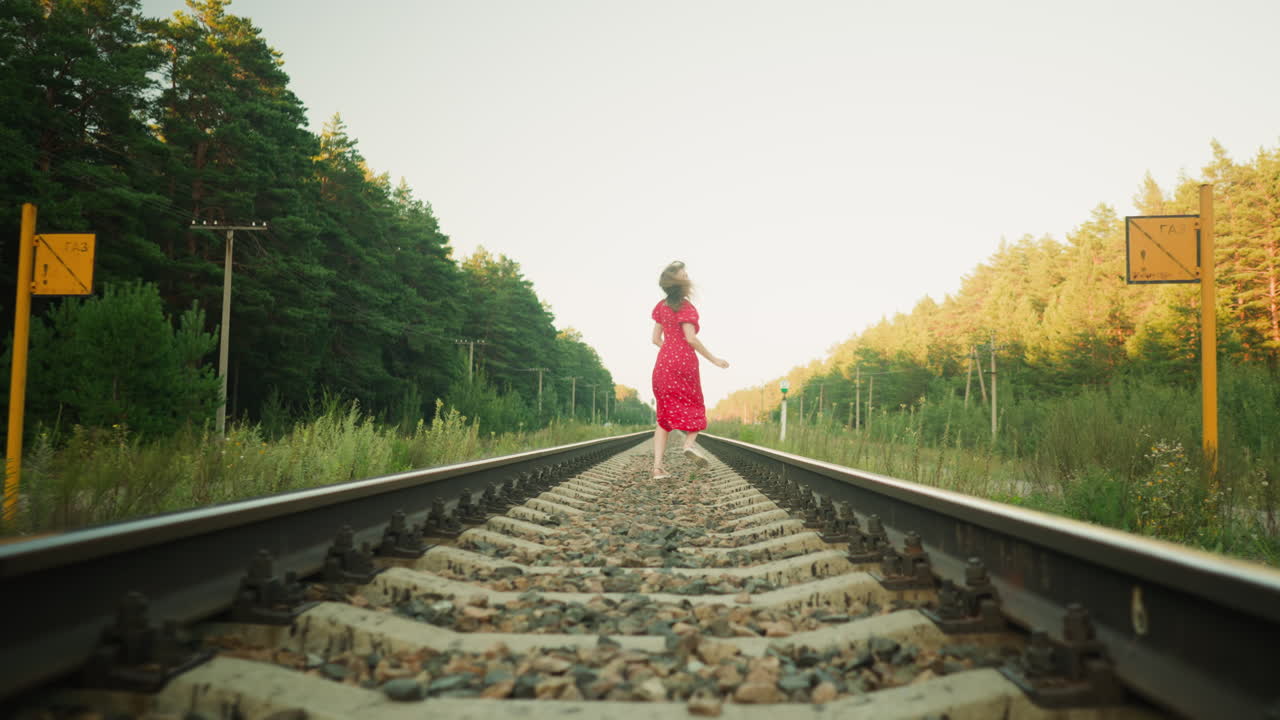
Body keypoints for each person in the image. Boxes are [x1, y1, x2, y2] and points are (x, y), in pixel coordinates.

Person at [650, 260, 729, 479]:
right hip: (684, 363)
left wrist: (669, 350)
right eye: (686, 275)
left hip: (663, 364)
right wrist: (714, 359)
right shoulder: (685, 307)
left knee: (664, 418)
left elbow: (655, 339)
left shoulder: (661, 307)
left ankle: (657, 468)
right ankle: (689, 444)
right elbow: (691, 338)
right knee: (694, 404)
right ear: (683, 284)